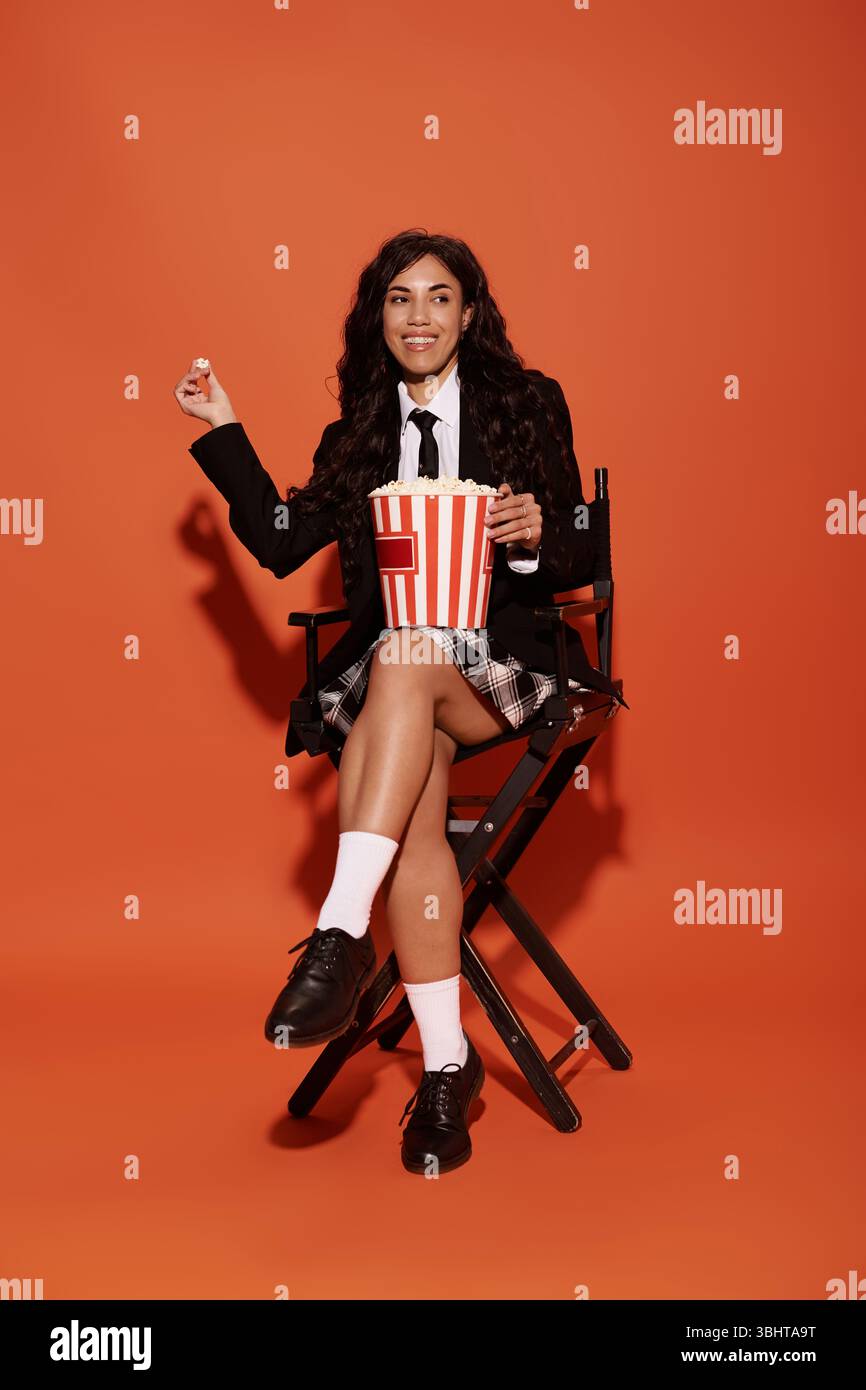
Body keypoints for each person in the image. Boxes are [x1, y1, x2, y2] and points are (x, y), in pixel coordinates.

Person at [173, 228, 627, 1176]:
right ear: (376, 320)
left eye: (439, 298)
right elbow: (284, 540)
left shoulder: (523, 404)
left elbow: (582, 554)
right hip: (397, 692)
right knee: (418, 822)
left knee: (410, 654)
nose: (419, 317)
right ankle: (447, 1072)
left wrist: (542, 532)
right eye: (399, 300)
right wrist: (222, 426)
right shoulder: (363, 431)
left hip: (505, 669)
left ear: (469, 313)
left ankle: (339, 932)